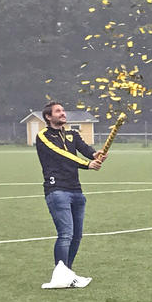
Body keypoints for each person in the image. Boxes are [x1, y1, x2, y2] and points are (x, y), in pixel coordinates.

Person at [35, 101, 105, 288]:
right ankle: (60, 276)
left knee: (76, 236)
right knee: (65, 234)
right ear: (48, 116)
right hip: (57, 190)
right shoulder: (43, 136)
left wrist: (95, 155)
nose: (63, 113)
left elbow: (84, 148)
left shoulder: (72, 134)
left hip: (76, 190)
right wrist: (87, 164)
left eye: (63, 110)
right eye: (58, 111)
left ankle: (67, 273)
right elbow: (62, 155)